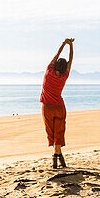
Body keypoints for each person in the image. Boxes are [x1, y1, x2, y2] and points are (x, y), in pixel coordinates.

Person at [41, 38, 73, 169]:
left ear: (55, 65)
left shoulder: (49, 72)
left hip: (47, 107)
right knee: (59, 133)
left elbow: (56, 55)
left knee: (51, 132)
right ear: (65, 68)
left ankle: (55, 159)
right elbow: (71, 60)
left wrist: (64, 44)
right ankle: (58, 157)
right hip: (59, 107)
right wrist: (71, 46)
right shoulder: (65, 76)